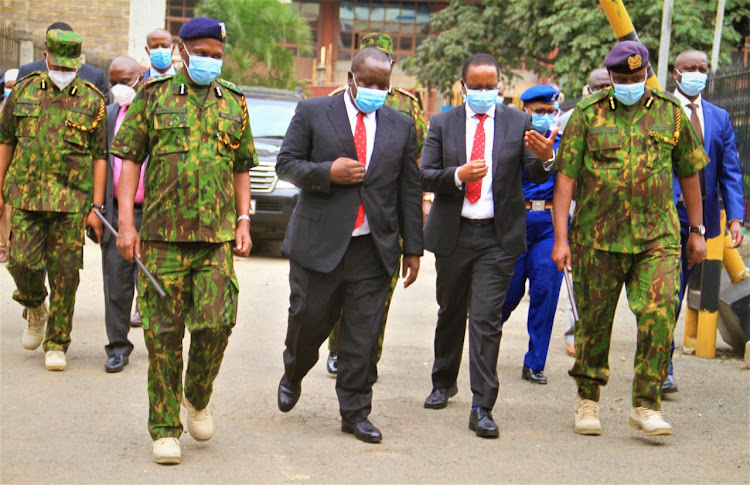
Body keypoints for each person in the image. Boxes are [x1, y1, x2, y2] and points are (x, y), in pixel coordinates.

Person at [111, 17, 256, 465]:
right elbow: (130, 159)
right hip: (161, 240)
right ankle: (164, 429)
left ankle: (196, 395)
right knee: (162, 336)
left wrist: (244, 219)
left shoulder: (234, 101)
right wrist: (126, 224)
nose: (211, 59)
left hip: (214, 238)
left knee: (217, 324)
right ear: (183, 50)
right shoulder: (152, 99)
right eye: (203, 52)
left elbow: (241, 166)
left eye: (218, 53)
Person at [551, 40, 708, 438]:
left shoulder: (671, 115)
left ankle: (647, 405)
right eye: (622, 79)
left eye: (637, 78)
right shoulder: (587, 114)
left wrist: (698, 231)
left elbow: (690, 173)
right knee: (594, 324)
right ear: (611, 78)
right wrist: (561, 238)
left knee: (658, 314)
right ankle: (587, 398)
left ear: (648, 74)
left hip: (657, 239)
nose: (630, 84)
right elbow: (565, 177)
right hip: (597, 239)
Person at [275, 46, 422, 444]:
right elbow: (285, 164)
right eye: (368, 83)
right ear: (351, 78)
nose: (375, 90)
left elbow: (409, 188)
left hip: (373, 248)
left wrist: (413, 249)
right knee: (308, 323)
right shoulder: (312, 112)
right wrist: (327, 172)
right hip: (320, 243)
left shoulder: (401, 125)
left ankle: (355, 413)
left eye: (383, 85)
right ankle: (294, 370)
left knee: (363, 336)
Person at [420, 53, 556, 438]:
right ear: (462, 87)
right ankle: (443, 381)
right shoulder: (443, 123)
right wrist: (458, 175)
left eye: (490, 86)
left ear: (500, 86)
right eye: (475, 87)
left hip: (497, 238)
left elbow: (531, 169)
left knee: (485, 319)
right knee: (450, 311)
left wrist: (546, 160)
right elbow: (425, 175)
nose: (483, 93)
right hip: (455, 233)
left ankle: (483, 406)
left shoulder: (518, 121)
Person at [0, 29, 107, 371]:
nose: (62, 70)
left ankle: (57, 343)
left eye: (69, 65)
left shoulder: (93, 100)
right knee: (20, 262)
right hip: (26, 194)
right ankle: (35, 307)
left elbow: (100, 156)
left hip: (71, 202)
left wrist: (96, 206)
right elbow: (6, 141)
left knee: (65, 275)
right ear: (45, 56)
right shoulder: (23, 90)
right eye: (57, 63)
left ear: (79, 62)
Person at [324, 32, 427, 376]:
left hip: (387, 218)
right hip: (345, 214)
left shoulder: (408, 105)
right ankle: (338, 350)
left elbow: (416, 161)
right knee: (340, 294)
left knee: (379, 296)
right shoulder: (338, 100)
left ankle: (368, 358)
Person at [664, 49, 745, 393]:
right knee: (663, 291)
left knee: (677, 291)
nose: (698, 73)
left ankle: (659, 361)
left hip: (700, 221)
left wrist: (736, 217)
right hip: (664, 214)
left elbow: (729, 170)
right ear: (676, 73)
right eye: (691, 68)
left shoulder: (719, 116)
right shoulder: (661, 111)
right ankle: (661, 365)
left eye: (702, 68)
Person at [500, 84, 563, 385]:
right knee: (507, 291)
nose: (545, 117)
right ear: (525, 110)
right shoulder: (511, 140)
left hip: (550, 223)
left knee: (545, 290)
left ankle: (535, 362)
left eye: (551, 112)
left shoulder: (562, 142)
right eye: (539, 112)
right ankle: (486, 341)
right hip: (516, 220)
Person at [560, 67, 612, 357]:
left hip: (618, 211)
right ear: (587, 89)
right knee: (579, 273)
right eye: (599, 87)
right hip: (581, 208)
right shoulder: (572, 118)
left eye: (609, 85)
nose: (605, 92)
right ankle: (575, 333)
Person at [100, 56, 147, 374]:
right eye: (113, 81)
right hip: (115, 212)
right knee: (116, 283)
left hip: (154, 213)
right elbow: (97, 162)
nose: (119, 88)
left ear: (140, 79)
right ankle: (118, 346)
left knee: (153, 282)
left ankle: (162, 346)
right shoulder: (107, 116)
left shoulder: (156, 114)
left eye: (125, 80)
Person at [18, 22, 109, 101]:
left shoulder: (94, 76)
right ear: (46, 52)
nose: (62, 69)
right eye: (56, 66)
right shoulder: (27, 74)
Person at [0, 68, 19, 264]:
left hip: (11, 166)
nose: (10, 91)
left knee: (8, 209)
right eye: (8, 87)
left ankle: (5, 246)